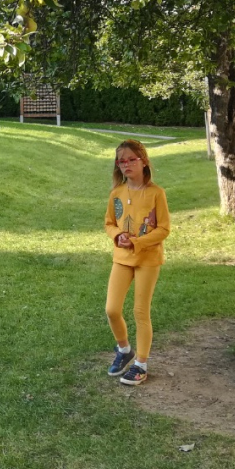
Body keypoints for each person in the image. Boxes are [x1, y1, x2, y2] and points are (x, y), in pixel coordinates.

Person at [103, 139, 170, 386]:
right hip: (122, 259)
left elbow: (163, 229)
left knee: (141, 312)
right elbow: (109, 223)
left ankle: (141, 364)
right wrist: (117, 235)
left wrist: (138, 242)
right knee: (112, 309)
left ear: (143, 162)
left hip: (148, 259)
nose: (127, 164)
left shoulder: (156, 193)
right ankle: (124, 350)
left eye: (132, 159)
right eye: (122, 161)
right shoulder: (117, 193)